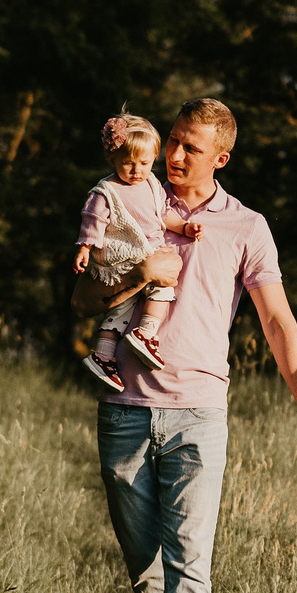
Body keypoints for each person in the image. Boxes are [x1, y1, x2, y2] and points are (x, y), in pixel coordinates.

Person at [98, 97, 297, 593]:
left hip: (199, 412)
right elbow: (81, 297)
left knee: (187, 555)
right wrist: (138, 272)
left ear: (221, 159)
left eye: (191, 148)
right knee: (144, 566)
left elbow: (278, 324)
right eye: (172, 141)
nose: (174, 155)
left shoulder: (247, 227)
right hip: (123, 408)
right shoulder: (133, 197)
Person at [72, 113, 197, 390]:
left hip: (144, 252)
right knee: (163, 286)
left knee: (122, 308)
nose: (136, 170)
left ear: (153, 159)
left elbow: (163, 215)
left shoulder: (152, 184)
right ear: (112, 159)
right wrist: (84, 248)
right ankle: (147, 332)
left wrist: (184, 227)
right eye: (127, 163)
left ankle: (103, 356)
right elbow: (93, 221)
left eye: (144, 163)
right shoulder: (107, 191)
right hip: (121, 256)